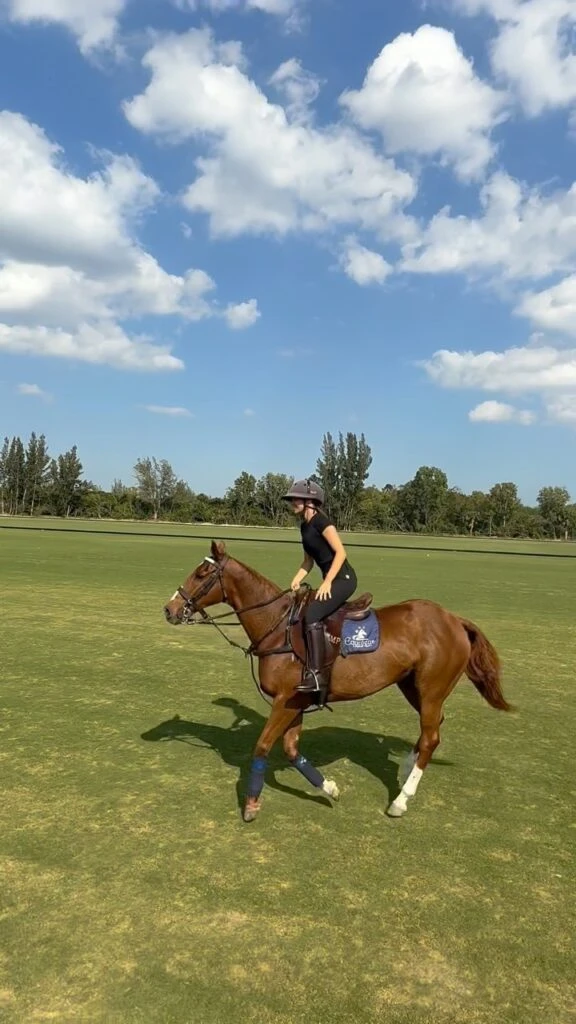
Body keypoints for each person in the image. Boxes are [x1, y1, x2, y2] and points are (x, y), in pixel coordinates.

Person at [282, 478, 357, 705]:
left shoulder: (322, 522)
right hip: (331, 579)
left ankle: (317, 675)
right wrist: (296, 579)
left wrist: (327, 583)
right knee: (304, 610)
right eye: (293, 498)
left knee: (313, 615)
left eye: (297, 498)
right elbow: (308, 561)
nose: (293, 502)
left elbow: (340, 553)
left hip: (343, 579)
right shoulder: (304, 527)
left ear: (311, 501)